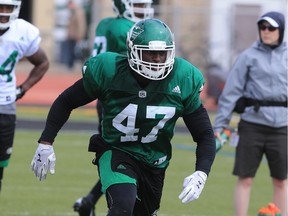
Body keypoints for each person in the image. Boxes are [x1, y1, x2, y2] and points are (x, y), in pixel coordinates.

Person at [30, 18, 216, 216]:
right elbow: (66, 101)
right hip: (116, 150)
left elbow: (204, 134)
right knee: (122, 206)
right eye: (150, 53)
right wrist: (46, 142)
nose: (156, 60)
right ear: (133, 51)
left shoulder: (183, 77)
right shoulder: (110, 71)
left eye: (162, 54)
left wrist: (201, 172)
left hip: (155, 162)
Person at [73, 1, 154, 215]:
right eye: (137, 5)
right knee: (124, 156)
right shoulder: (125, 28)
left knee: (120, 155)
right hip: (122, 99)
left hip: (107, 94)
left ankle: (90, 200)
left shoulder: (104, 24)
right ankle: (96, 200)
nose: (142, 9)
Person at [213, 11, 287, 216]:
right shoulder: (248, 56)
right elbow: (230, 93)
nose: (266, 32)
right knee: (245, 179)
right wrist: (220, 125)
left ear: (281, 30)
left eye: (271, 28)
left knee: (281, 180)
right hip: (252, 125)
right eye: (262, 27)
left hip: (282, 128)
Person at [0, 0, 49, 192]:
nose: (4, 12)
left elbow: (43, 63)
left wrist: (23, 88)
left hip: (5, 106)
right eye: (0, 7)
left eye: (8, 8)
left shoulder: (23, 31)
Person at [62, 0, 86, 70]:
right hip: (71, 36)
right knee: (72, 51)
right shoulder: (71, 12)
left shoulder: (78, 12)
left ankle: (81, 62)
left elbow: (81, 25)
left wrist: (80, 36)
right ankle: (70, 65)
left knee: (76, 52)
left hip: (76, 36)